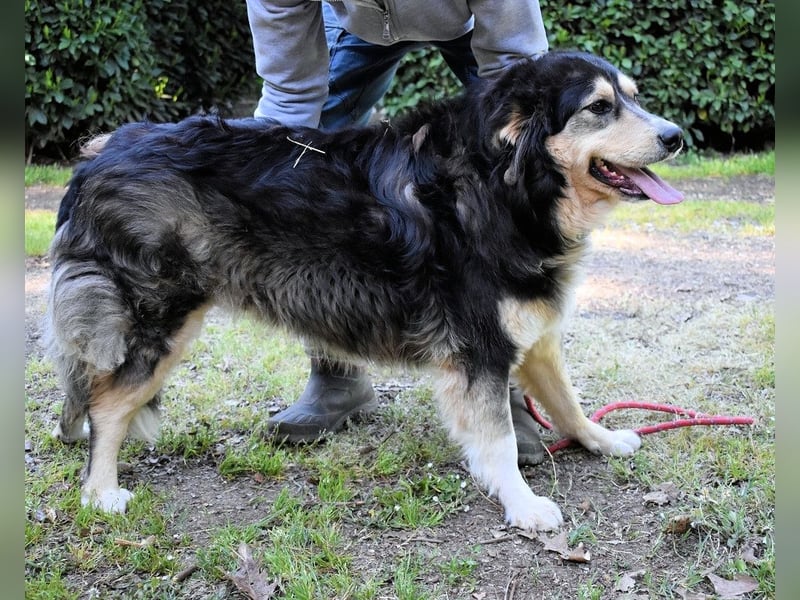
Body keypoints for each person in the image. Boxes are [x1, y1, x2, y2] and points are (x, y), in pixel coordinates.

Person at [245, 0, 550, 465]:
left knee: (509, 157)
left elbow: (517, 66)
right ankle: (336, 375)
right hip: (354, 27)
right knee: (309, 160)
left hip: (470, 22)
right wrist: (252, 187)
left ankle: (502, 388)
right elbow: (290, 95)